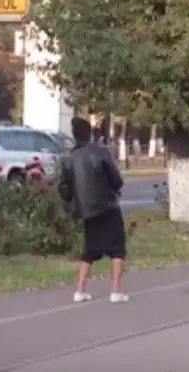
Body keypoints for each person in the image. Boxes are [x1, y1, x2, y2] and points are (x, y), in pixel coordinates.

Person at [58, 117, 129, 303]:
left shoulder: (69, 159)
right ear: (90, 133)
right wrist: (113, 190)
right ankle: (116, 291)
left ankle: (80, 290)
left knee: (89, 250)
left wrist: (73, 202)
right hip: (108, 206)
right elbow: (117, 179)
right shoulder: (101, 153)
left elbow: (64, 188)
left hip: (86, 210)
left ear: (74, 135)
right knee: (117, 248)